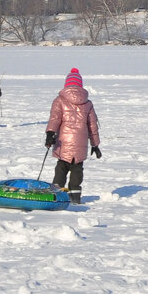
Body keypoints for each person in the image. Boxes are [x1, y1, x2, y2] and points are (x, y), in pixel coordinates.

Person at [45, 68, 101, 203]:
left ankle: (56, 196)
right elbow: (92, 125)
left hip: (63, 141)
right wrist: (95, 144)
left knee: (61, 168)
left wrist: (50, 134)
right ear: (80, 85)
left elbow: (55, 119)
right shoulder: (88, 103)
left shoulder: (59, 100)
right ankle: (75, 197)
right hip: (80, 143)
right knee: (77, 170)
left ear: (67, 85)